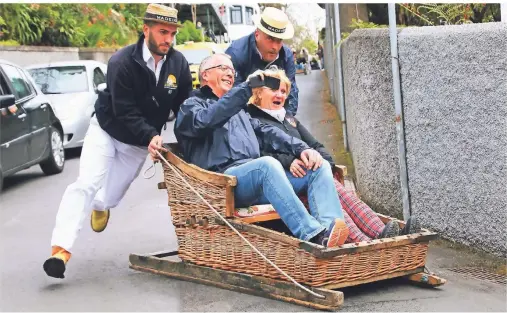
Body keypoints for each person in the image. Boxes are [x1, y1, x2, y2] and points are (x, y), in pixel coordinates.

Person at [43, 3, 193, 279]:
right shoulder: (121, 62)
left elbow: (186, 106)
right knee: (85, 184)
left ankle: (101, 206)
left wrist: (191, 140)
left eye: (172, 34)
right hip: (106, 130)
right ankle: (60, 251)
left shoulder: (179, 64)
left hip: (136, 146)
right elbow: (125, 111)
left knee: (109, 197)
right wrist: (151, 135)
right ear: (145, 30)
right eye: (162, 32)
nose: (168, 39)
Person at [175, 53, 351, 249]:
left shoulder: (238, 111)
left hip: (257, 181)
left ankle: (331, 234)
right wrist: (246, 88)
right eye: (223, 68)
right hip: (222, 184)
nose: (230, 73)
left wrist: (302, 149)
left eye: (231, 70)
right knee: (266, 165)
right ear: (205, 75)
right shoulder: (191, 106)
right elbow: (208, 119)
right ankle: (313, 235)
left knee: (318, 167)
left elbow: (267, 132)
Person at [246, 67, 421, 242]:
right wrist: (288, 161)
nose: (280, 95)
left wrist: (326, 164)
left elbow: (315, 145)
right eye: (274, 89)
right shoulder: (251, 118)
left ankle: (383, 233)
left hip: (309, 177)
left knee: (338, 190)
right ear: (259, 92)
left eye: (283, 91)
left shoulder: (288, 118)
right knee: (331, 191)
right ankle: (365, 239)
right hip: (282, 185)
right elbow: (255, 154)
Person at [225, 7, 299, 115]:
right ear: (257, 34)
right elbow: (233, 96)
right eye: (270, 38)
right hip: (244, 114)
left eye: (279, 41)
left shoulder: (286, 55)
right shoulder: (236, 53)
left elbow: (291, 91)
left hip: (276, 114)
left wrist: (287, 120)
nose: (274, 47)